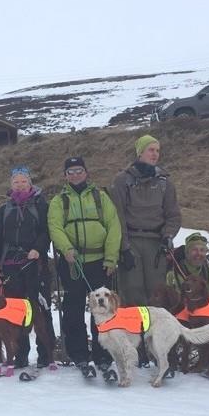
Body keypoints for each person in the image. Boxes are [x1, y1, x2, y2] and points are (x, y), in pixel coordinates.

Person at [47, 156, 122, 377]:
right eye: (70, 172)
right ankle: (79, 355)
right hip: (72, 264)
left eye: (79, 170)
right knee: (73, 310)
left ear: (86, 173)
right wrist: (66, 249)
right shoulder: (59, 201)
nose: (75, 174)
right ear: (65, 176)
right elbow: (55, 226)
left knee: (102, 311)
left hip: (99, 263)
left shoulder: (101, 197)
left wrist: (110, 257)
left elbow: (113, 226)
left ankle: (103, 356)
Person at [0, 165, 53, 369]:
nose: (19, 185)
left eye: (23, 181)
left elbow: (46, 231)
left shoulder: (41, 206)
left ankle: (46, 353)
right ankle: (20, 354)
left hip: (35, 263)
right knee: (16, 311)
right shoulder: (3, 211)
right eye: (16, 182)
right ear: (11, 185)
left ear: (30, 183)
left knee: (39, 308)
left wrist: (38, 249)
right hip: (10, 266)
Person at [111, 135, 181, 306]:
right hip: (131, 242)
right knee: (132, 292)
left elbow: (173, 215)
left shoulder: (165, 183)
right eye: (151, 150)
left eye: (157, 150)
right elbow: (117, 216)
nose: (155, 154)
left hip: (156, 244)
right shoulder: (122, 180)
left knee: (157, 293)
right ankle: (135, 331)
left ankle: (157, 332)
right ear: (140, 152)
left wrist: (168, 235)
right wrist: (124, 248)